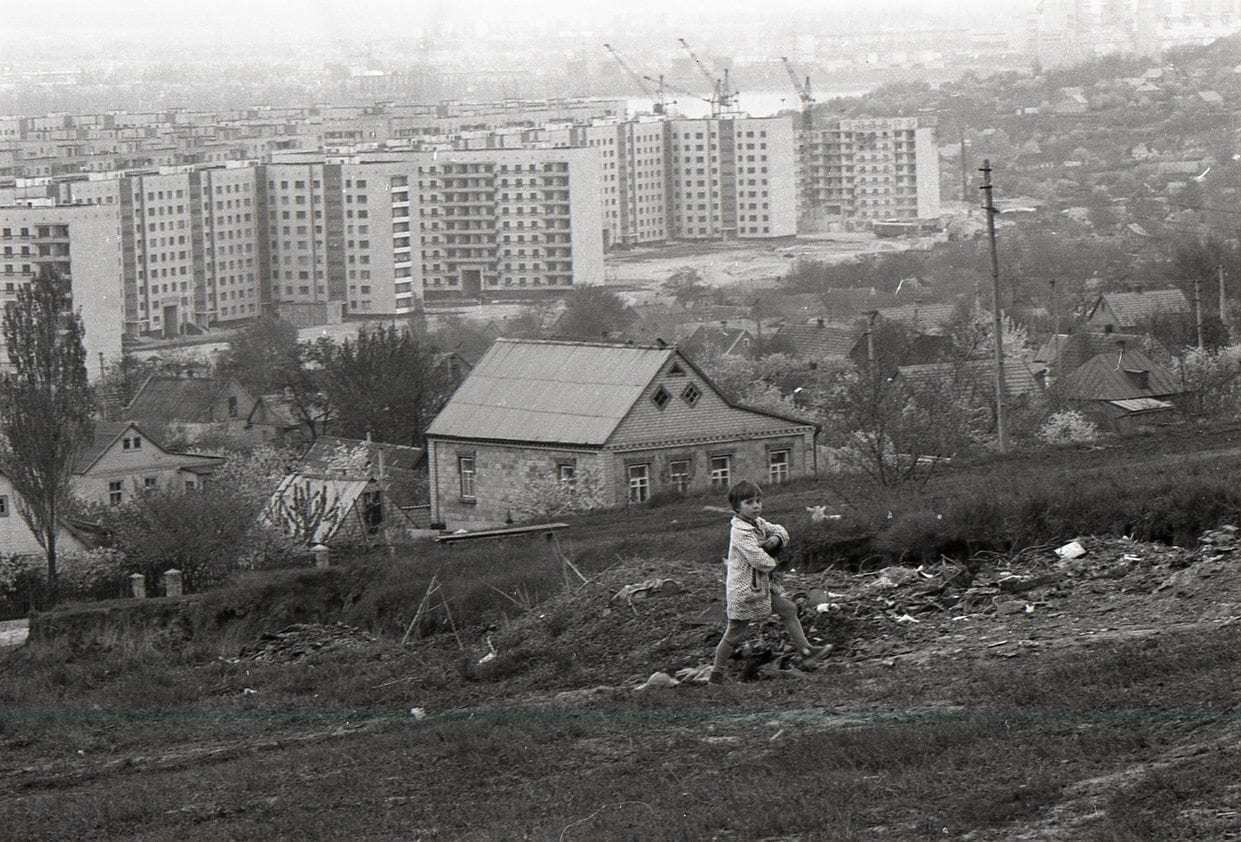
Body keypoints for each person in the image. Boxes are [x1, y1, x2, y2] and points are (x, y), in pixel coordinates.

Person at [708, 479, 830, 684]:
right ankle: (715, 676)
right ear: (737, 507)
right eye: (749, 502)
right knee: (734, 634)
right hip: (745, 591)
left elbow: (781, 530)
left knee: (788, 610)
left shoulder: (758, 523)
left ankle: (807, 652)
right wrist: (775, 561)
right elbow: (756, 558)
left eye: (758, 501)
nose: (756, 505)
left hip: (759, 587)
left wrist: (777, 539)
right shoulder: (740, 531)